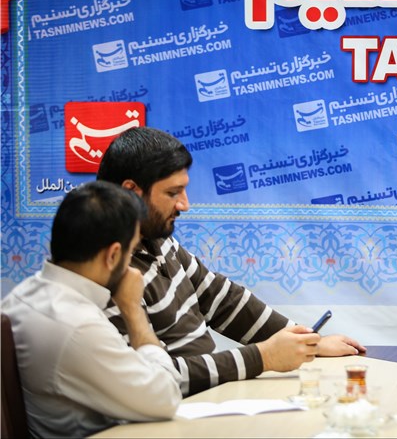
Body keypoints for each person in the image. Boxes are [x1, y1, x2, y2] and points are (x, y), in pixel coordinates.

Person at [96, 126, 366, 396]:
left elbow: (220, 298)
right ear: (131, 192)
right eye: (172, 193)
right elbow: (154, 378)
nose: (184, 205)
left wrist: (307, 341)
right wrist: (264, 357)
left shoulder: (156, 237)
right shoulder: (105, 271)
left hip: (209, 397)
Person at [2, 181, 181, 438]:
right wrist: (133, 310)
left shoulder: (22, 296)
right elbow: (166, 397)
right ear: (113, 255)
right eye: (131, 251)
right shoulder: (77, 325)